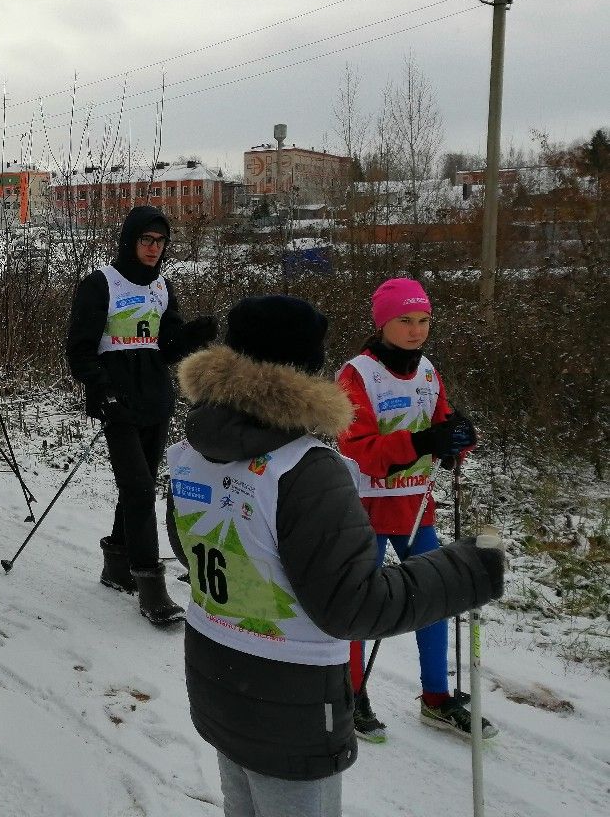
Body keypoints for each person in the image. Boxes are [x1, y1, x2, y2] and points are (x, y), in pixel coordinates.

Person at [167, 295, 503, 817]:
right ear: (307, 367)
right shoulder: (306, 467)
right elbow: (353, 606)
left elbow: (190, 551)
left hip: (217, 675)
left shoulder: (191, 450)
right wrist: (469, 571)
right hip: (289, 698)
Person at [337, 277, 489, 743]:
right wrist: (424, 441)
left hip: (417, 505)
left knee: (435, 597)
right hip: (365, 506)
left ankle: (437, 697)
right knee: (359, 606)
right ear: (382, 321)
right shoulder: (356, 374)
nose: (416, 330)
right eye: (405, 320)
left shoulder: (427, 371)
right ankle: (350, 694)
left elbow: (442, 424)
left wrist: (458, 440)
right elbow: (358, 446)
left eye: (423, 320)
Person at [65, 205, 216, 627]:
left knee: (141, 485)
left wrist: (191, 337)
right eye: (146, 240)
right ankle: (150, 583)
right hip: (118, 401)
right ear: (130, 240)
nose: (153, 248)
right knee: (136, 487)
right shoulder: (100, 284)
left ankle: (116, 561)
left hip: (155, 399)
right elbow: (79, 347)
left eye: (160, 241)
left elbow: (165, 348)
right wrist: (99, 389)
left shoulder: (162, 288)